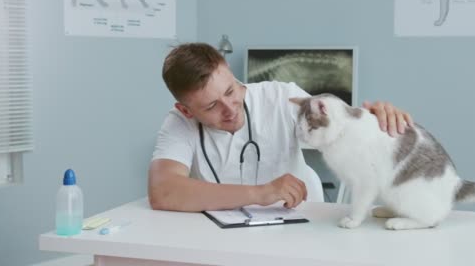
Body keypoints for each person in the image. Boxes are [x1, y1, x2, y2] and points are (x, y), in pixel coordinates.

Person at [148, 43, 414, 212]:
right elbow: (164, 191)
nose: (230, 109)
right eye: (211, 107)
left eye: (230, 90)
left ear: (228, 69)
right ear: (186, 110)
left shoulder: (280, 97)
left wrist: (378, 120)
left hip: (295, 229)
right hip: (221, 238)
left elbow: (345, 131)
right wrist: (260, 193)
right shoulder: (179, 122)